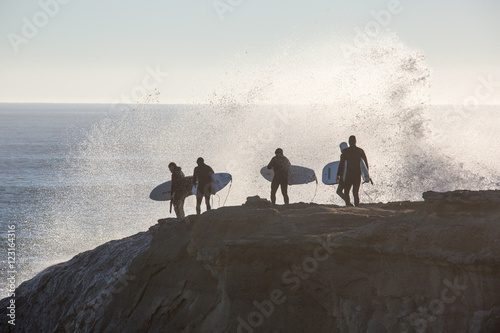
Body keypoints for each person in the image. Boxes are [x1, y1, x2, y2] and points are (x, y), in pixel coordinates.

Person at [337, 135, 368, 207]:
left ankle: (348, 205)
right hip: (357, 175)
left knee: (346, 191)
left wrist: (338, 175)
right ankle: (356, 207)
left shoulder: (345, 151)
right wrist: (366, 176)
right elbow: (365, 165)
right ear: (355, 141)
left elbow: (341, 164)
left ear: (349, 142)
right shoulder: (360, 151)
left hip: (348, 175)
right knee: (355, 192)